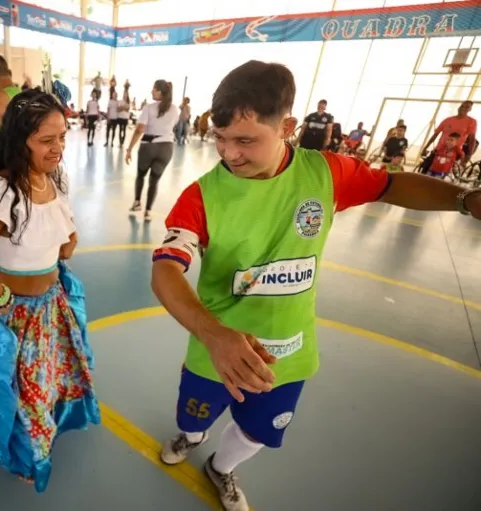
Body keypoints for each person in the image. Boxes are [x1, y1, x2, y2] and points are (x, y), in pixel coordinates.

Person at [150, 59, 481, 511]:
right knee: (191, 418)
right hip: (215, 349)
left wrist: (463, 199)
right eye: (220, 139)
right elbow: (166, 267)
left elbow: (389, 185)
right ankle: (192, 437)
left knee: (256, 432)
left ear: (287, 126)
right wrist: (214, 335)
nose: (229, 153)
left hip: (288, 351)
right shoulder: (202, 194)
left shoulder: (326, 174)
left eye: (245, 140)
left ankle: (221, 468)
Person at [0, 89, 100, 492]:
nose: (59, 148)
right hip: (17, 314)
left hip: (50, 305)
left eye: (62, 137)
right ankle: (24, 451)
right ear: (19, 141)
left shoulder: (49, 182)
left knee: (42, 380)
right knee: (18, 387)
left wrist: (64, 244)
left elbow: (64, 240)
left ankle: (38, 429)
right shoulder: (1, 193)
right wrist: (2, 300)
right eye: (47, 140)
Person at [125, 80, 178, 221]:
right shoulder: (174, 109)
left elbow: (139, 130)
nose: (151, 92)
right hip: (167, 147)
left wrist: (129, 149)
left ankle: (137, 203)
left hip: (149, 146)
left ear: (160, 92)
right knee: (155, 180)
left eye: (154, 89)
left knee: (141, 175)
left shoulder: (149, 108)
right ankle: (148, 211)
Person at [421, 101, 477, 168]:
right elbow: (435, 135)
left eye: (467, 107)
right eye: (462, 106)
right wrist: (425, 147)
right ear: (459, 107)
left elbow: (472, 139)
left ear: (470, 110)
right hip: (439, 149)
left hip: (455, 152)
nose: (463, 108)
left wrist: (468, 155)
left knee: (442, 173)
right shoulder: (447, 120)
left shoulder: (471, 121)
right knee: (425, 170)